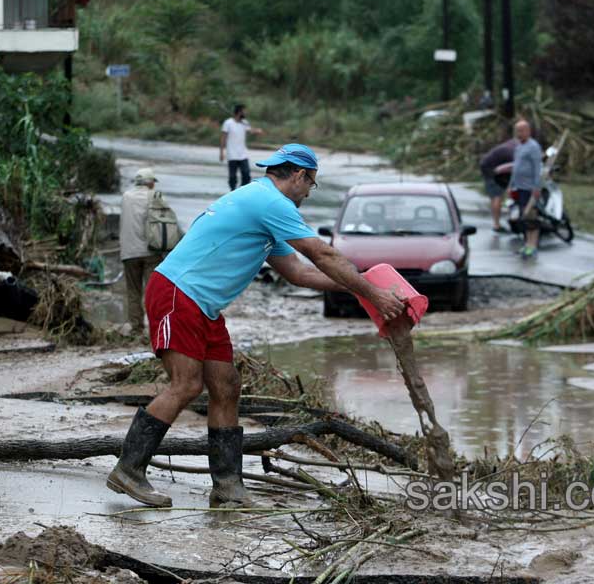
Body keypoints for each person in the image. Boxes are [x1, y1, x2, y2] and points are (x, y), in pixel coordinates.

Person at [106, 143, 405, 509]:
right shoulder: (270, 202)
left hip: (205, 305)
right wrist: (373, 293)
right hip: (177, 292)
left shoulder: (267, 210)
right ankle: (129, 469)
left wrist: (362, 286)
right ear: (298, 175)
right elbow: (322, 254)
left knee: (227, 385)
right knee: (186, 384)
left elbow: (298, 273)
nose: (309, 193)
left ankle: (228, 487)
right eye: (311, 184)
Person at [120, 167, 162, 334]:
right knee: (152, 292)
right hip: (151, 251)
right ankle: (155, 327)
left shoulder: (125, 197)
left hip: (129, 252)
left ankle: (136, 326)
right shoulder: (155, 196)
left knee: (133, 290)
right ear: (150, 182)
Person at [510, 120, 544, 258]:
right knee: (523, 217)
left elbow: (538, 168)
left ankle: (533, 245)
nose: (519, 133)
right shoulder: (518, 147)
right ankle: (527, 243)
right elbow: (515, 167)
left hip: (530, 188)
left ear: (528, 131)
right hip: (519, 187)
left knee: (531, 217)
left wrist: (537, 187)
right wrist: (511, 185)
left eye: (522, 130)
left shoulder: (533, 147)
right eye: (517, 131)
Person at [219, 104, 263, 190]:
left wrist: (257, 131)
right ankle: (232, 191)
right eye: (244, 111)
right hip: (232, 155)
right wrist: (221, 152)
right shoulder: (228, 123)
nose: (246, 113)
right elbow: (223, 138)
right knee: (232, 177)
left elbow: (250, 130)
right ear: (239, 112)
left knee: (246, 175)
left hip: (243, 154)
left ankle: (241, 191)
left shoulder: (244, 123)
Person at [478, 138, 516, 232]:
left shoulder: (513, 144)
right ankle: (496, 225)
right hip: (491, 169)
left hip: (488, 166)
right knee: (497, 196)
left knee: (496, 196)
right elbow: (515, 169)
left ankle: (497, 223)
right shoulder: (514, 152)